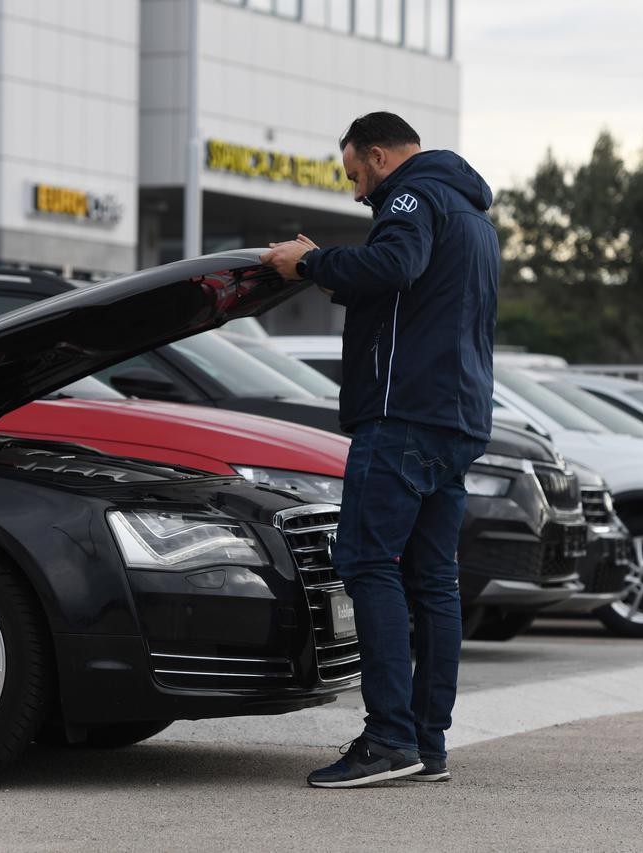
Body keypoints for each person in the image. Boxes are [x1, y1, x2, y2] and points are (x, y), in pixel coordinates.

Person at [260, 112, 499, 788]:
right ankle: (428, 742)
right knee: (433, 581)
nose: (357, 194)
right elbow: (410, 295)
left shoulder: (409, 194)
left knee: (367, 561)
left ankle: (389, 737)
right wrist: (330, 275)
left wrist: (308, 259)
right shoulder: (471, 215)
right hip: (453, 419)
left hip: (401, 418)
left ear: (378, 154)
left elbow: (396, 262)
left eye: (355, 176)